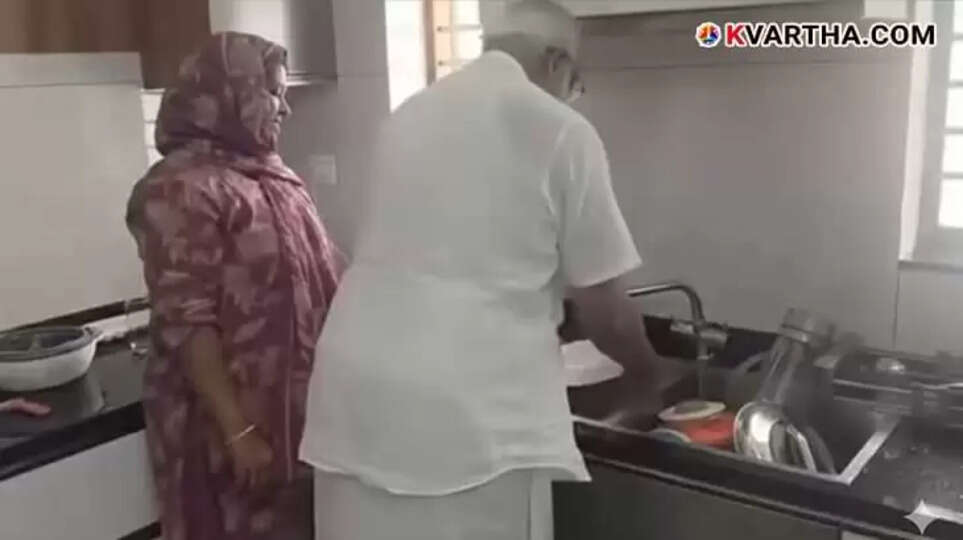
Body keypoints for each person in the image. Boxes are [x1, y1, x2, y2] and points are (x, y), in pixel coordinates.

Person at [300, 1, 662, 538]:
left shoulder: (409, 115)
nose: (573, 92)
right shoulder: (560, 130)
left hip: (352, 399)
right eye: (576, 81)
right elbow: (605, 311)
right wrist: (647, 374)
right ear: (559, 61)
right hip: (467, 422)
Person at [125, 32, 341, 540]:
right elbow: (188, 319)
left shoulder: (274, 177)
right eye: (272, 92)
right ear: (228, 94)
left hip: (296, 421)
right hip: (225, 430)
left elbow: (320, 267)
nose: (285, 107)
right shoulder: (178, 189)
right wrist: (238, 432)